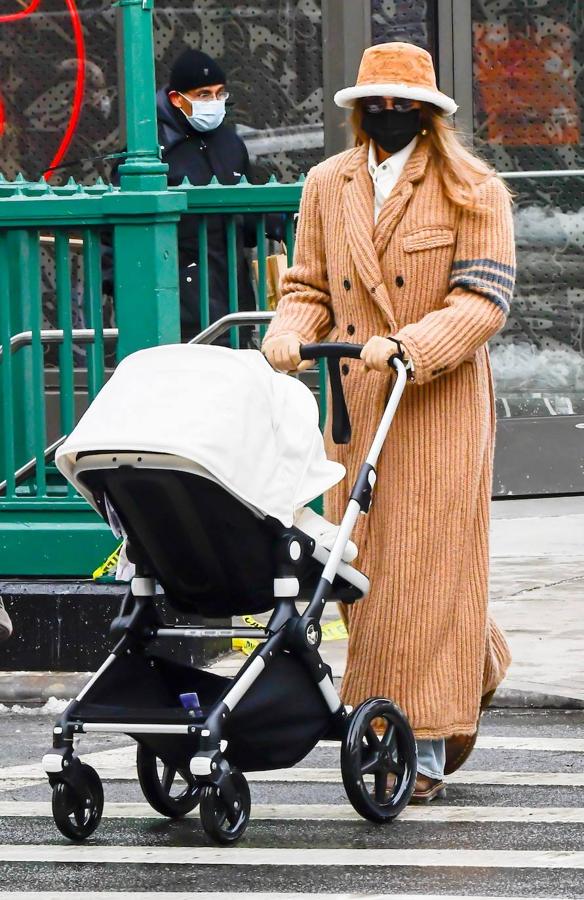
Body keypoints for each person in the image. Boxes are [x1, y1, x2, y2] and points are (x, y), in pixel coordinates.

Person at [262, 42, 514, 803]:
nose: (390, 116)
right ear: (356, 110)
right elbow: (307, 283)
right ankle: (480, 663)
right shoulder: (325, 184)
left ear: (432, 114)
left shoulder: (473, 188)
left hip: (436, 402)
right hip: (357, 404)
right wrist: (287, 329)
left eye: (406, 105)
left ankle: (418, 743)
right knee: (367, 568)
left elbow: (484, 300)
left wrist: (410, 345)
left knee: (427, 566)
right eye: (377, 103)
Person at [160, 48, 282, 342]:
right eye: (203, 94)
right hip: (179, 302)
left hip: (232, 297)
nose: (214, 102)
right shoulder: (155, 149)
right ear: (177, 99)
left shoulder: (229, 142)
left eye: (220, 93)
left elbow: (247, 214)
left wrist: (279, 222)